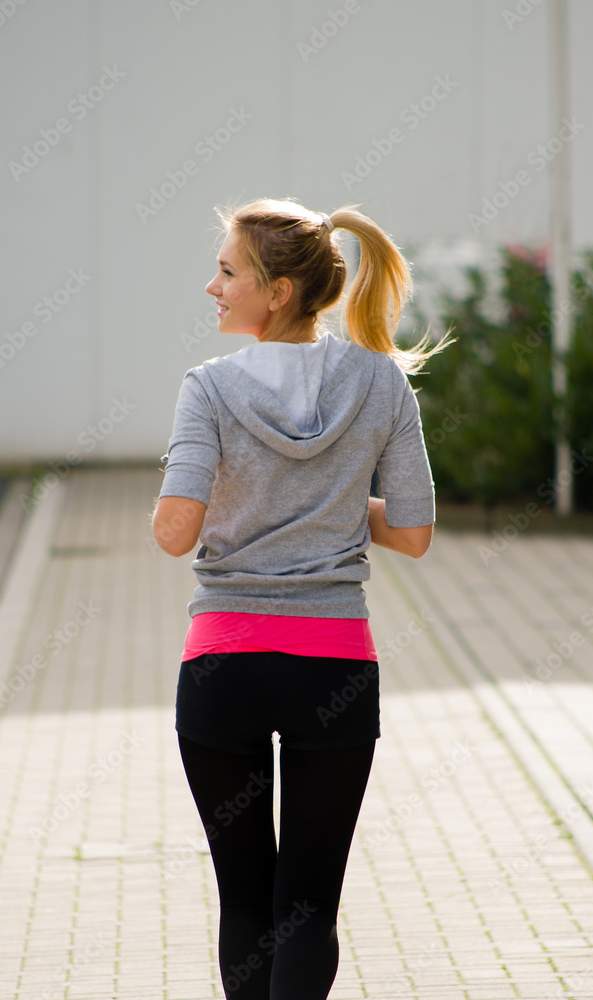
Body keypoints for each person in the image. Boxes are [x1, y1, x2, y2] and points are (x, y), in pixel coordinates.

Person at [151, 198, 448, 1000]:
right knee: (308, 906)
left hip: (224, 667)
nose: (211, 286)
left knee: (246, 899)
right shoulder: (380, 381)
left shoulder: (208, 388)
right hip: (332, 667)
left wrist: (226, 497)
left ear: (278, 291)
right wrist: (332, 505)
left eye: (226, 271)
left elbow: (175, 533)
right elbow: (413, 532)